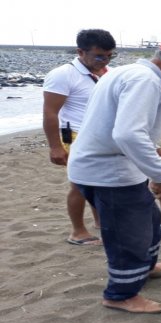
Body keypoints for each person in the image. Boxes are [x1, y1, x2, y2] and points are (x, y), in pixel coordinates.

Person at [68, 35, 161, 314]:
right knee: (129, 235)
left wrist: (156, 149)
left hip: (109, 165)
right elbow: (127, 133)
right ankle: (121, 294)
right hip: (108, 172)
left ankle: (146, 267)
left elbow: (117, 124)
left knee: (149, 221)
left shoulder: (131, 73)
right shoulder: (144, 80)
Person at [43, 29, 116, 246]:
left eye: (109, 56)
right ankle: (78, 232)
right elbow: (50, 112)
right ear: (80, 52)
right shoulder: (63, 74)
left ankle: (100, 221)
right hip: (74, 135)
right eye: (99, 56)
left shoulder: (105, 72)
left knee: (98, 183)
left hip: (98, 136)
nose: (104, 61)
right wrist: (55, 147)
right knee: (80, 184)